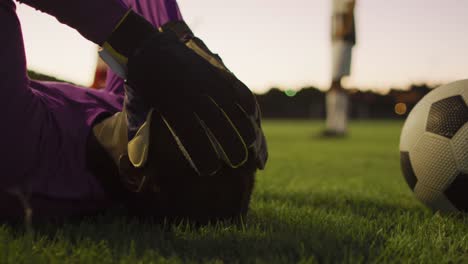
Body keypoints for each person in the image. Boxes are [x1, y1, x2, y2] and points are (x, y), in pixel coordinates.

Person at [0, 0, 267, 224]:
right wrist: (190, 52)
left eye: (173, 111)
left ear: (132, 173)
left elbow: (137, 38)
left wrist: (130, 35)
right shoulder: (122, 124)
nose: (171, 92)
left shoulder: (18, 143)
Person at [322, 0, 356, 137]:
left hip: (343, 39)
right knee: (335, 84)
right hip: (337, 40)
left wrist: (345, 29)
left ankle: (338, 127)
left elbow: (351, 4)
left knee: (336, 83)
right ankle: (334, 126)